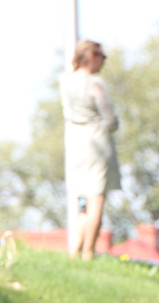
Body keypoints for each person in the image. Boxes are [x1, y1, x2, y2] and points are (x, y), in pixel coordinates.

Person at [60, 40, 121, 260]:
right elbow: (110, 119)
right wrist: (114, 123)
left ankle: (74, 252)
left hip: (75, 146)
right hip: (96, 144)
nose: (104, 60)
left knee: (83, 202)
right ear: (92, 56)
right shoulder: (95, 83)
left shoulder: (64, 81)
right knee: (96, 200)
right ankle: (88, 253)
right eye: (102, 55)